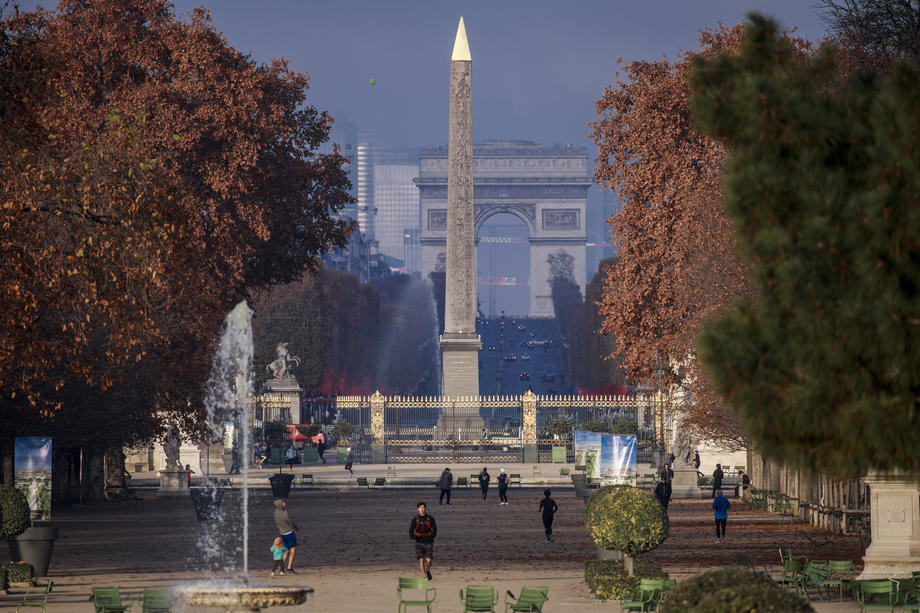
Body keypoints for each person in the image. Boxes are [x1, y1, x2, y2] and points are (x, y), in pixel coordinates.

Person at [409, 501, 437, 580]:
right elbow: (411, 530)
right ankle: (424, 577)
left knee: (428, 560)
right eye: (420, 508)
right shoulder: (415, 519)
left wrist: (431, 537)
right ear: (417, 509)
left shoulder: (430, 518)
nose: (422, 509)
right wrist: (414, 537)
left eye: (423, 507)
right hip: (418, 542)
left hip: (428, 542)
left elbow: (435, 529)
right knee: (421, 560)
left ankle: (428, 570)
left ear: (425, 508)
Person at [273, 499, 299, 573]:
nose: (285, 504)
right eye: (283, 503)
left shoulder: (276, 512)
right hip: (289, 533)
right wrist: (295, 527)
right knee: (293, 551)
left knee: (286, 551)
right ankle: (289, 568)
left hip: (282, 534)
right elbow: (289, 522)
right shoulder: (284, 513)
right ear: (280, 505)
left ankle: (280, 567)